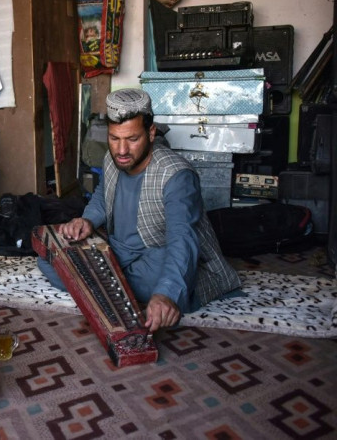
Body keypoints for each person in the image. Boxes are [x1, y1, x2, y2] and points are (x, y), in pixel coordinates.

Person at [39, 89, 240, 332]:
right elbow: (104, 194)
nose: (122, 150)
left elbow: (182, 238)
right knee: (49, 260)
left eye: (132, 139)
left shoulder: (176, 175)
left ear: (151, 132)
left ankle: (119, 283)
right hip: (121, 250)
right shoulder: (112, 159)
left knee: (161, 279)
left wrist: (166, 293)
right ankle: (114, 280)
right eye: (114, 139)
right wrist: (88, 220)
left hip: (158, 254)